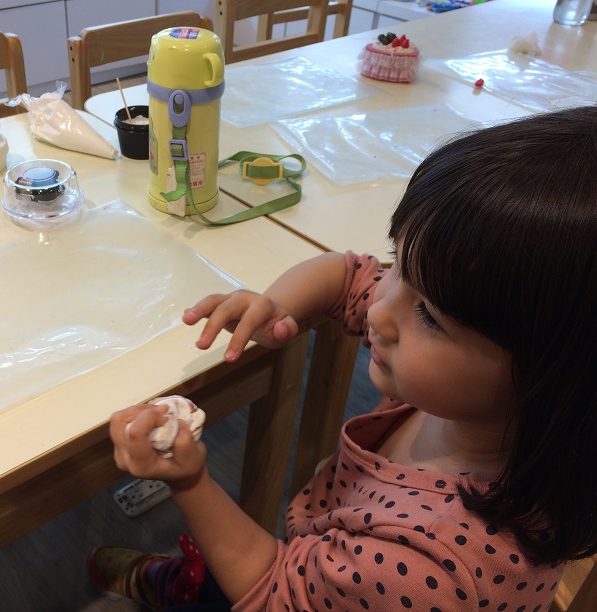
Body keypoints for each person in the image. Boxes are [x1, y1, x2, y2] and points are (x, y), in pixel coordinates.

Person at [87, 106, 597, 610]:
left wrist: (189, 480)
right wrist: (278, 305)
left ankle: (189, 588)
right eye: (398, 263)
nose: (379, 308)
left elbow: (276, 596)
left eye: (429, 315)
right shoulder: (496, 399)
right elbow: (348, 274)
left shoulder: (423, 570)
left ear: (553, 376)